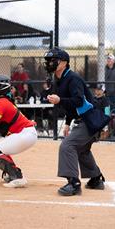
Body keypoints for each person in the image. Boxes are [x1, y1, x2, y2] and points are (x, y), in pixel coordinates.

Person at [44, 47, 106, 196]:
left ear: (64, 62)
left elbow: (78, 101)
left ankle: (74, 183)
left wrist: (60, 100)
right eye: (48, 60)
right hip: (84, 119)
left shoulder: (73, 78)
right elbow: (71, 106)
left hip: (90, 119)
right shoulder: (59, 80)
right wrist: (67, 122)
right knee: (82, 149)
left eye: (54, 60)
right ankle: (96, 179)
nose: (50, 63)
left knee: (68, 145)